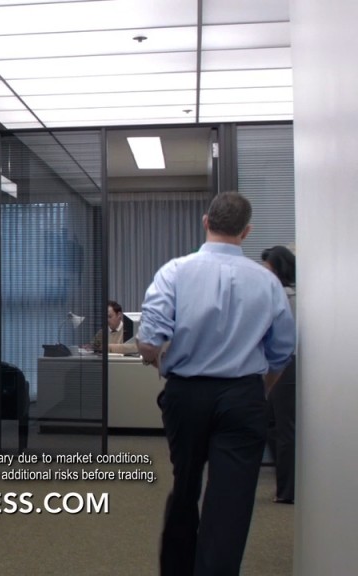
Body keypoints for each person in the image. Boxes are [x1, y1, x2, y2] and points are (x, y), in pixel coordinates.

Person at [136, 192, 296, 576]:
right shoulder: (268, 282)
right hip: (243, 396)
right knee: (231, 502)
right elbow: (282, 352)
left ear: (206, 221)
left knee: (185, 486)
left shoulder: (174, 271)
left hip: (186, 395)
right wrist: (261, 391)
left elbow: (148, 342)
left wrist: (157, 360)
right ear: (246, 231)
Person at [262, 245, 297, 504]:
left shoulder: (287, 297)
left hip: (286, 364)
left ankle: (287, 491)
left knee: (284, 428)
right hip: (275, 364)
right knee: (273, 425)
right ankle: (284, 487)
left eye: (268, 268)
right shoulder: (281, 295)